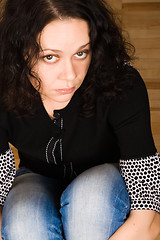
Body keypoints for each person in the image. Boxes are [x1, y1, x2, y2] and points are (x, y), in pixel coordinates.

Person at [0, 0, 159, 239]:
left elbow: (148, 221)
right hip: (35, 176)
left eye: (81, 53)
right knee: (24, 224)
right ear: (21, 52)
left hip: (105, 181)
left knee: (91, 204)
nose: (70, 75)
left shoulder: (122, 83)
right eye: (50, 57)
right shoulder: (3, 87)